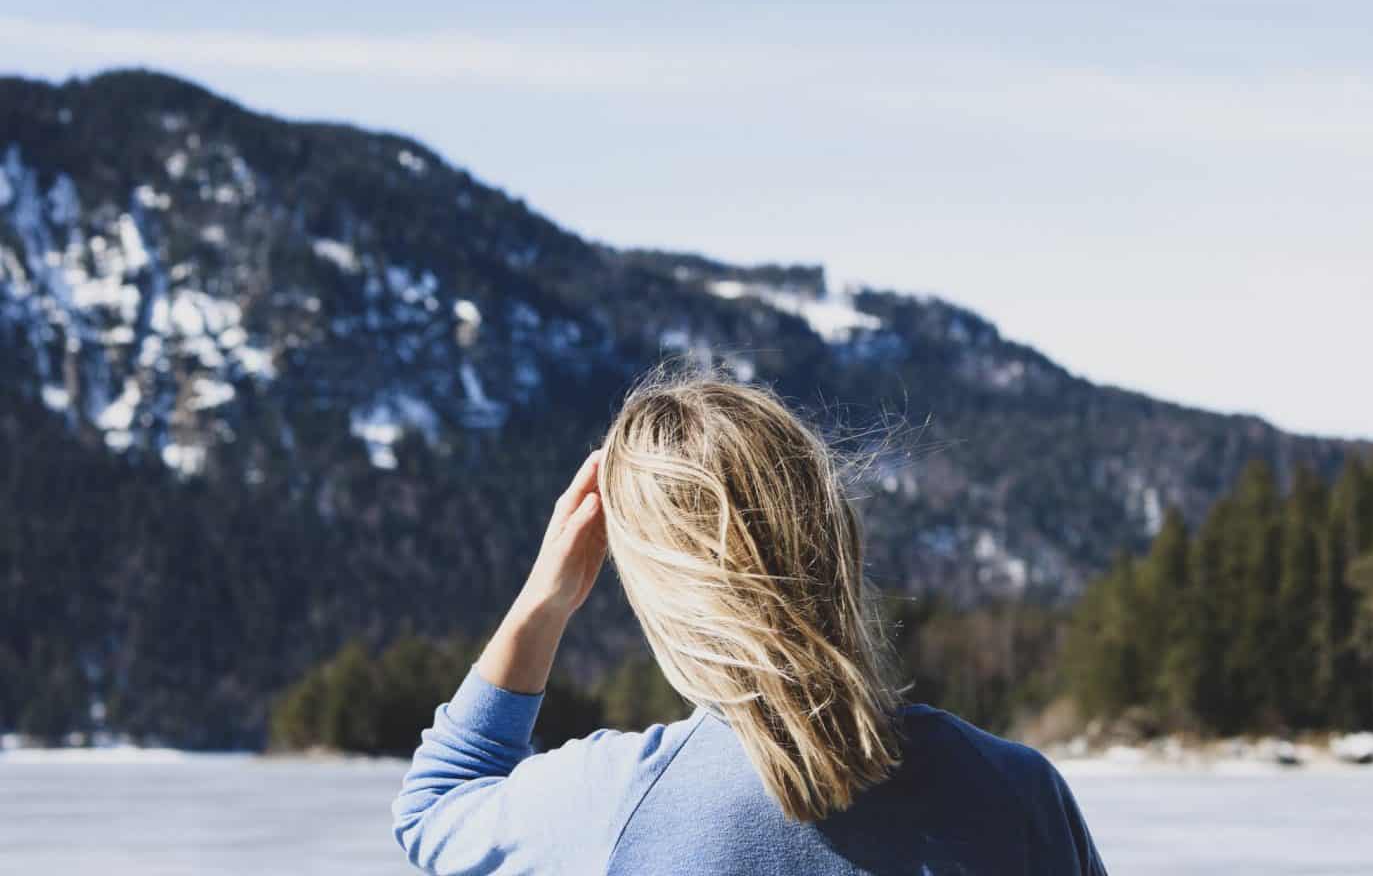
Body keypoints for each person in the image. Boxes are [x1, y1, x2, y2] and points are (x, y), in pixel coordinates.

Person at [392, 368, 1107, 875]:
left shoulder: (614, 803)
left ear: (662, 588)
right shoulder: (1012, 790)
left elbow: (435, 803)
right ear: (837, 538)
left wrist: (542, 602)